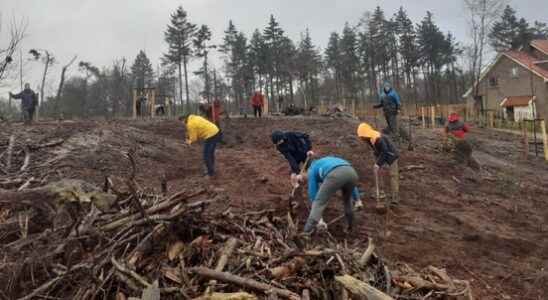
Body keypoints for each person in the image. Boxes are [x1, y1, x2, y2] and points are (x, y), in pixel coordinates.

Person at [295, 156, 361, 233]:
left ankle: (306, 232)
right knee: (347, 201)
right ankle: (351, 228)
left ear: (304, 173)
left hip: (335, 174)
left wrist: (320, 220)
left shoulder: (311, 170)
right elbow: (348, 176)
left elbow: (313, 195)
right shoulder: (324, 162)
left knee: (319, 202)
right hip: (352, 172)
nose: (306, 182)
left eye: (305, 180)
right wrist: (357, 200)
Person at [357, 122, 400, 210]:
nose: (361, 138)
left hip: (392, 155)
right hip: (382, 155)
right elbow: (377, 151)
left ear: (365, 134)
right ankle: (381, 193)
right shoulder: (369, 139)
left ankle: (395, 198)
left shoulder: (378, 138)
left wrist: (378, 163)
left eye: (362, 136)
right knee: (378, 172)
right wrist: (377, 162)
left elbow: (385, 151)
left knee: (393, 176)